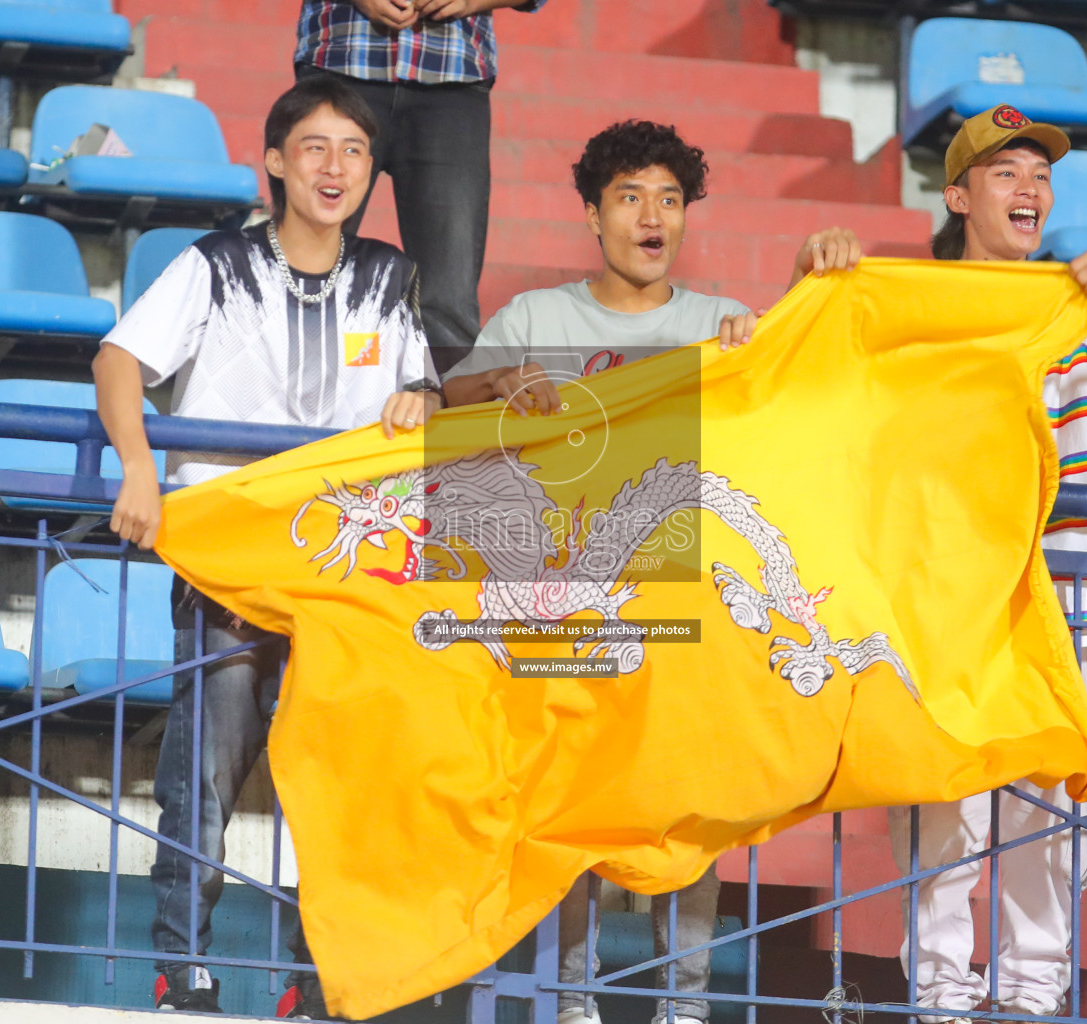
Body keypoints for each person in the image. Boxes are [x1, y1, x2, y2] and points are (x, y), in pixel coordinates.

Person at [798, 105, 1087, 1024]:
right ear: (959, 195)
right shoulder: (915, 308)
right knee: (948, 805)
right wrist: (810, 265)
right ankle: (940, 994)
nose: (1030, 189)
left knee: (1047, 813)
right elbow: (815, 357)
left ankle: (1028, 997)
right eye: (1007, 173)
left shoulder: (1083, 301)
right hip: (948, 599)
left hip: (1066, 595)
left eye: (1040, 175)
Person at [92, 76, 441, 1018]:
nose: (335, 168)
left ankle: (317, 977)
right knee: (203, 773)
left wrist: (427, 396)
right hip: (232, 563)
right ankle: (184, 969)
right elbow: (118, 360)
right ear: (277, 163)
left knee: (336, 784)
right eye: (316, 148)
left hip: (345, 576)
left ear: (374, 174)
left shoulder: (392, 277)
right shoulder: (213, 265)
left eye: (355, 153)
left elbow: (424, 399)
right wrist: (136, 469)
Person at [442, 119, 760, 1024]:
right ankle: (571, 1002)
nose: (651, 217)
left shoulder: (717, 323)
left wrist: (760, 346)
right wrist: (502, 384)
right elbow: (449, 397)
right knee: (567, 806)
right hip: (561, 604)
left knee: (688, 808)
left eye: (669, 199)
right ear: (592, 214)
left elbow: (788, 410)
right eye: (629, 198)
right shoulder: (537, 318)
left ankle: (684, 1007)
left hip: (683, 608)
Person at [294, 0, 547, 375]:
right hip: (341, 64)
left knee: (448, 302)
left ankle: (449, 429)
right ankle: (283, 425)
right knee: (305, 273)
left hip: (452, 82)